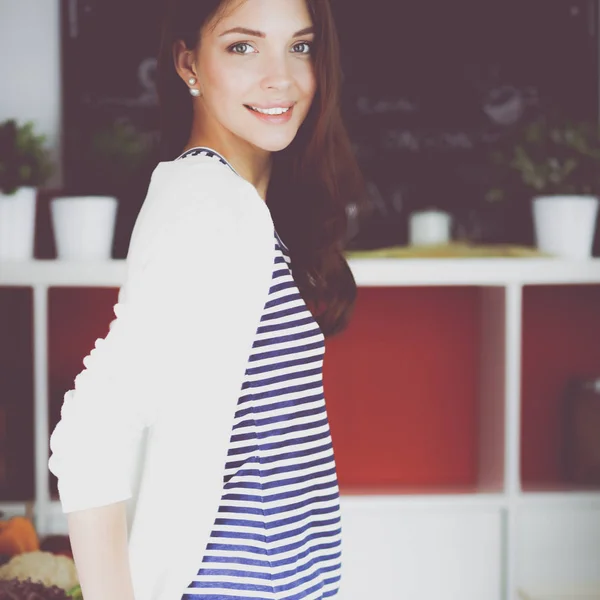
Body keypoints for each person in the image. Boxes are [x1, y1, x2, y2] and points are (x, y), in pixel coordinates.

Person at [48, 0, 367, 599]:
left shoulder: (242, 203)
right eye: (243, 46)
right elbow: (92, 430)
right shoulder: (204, 199)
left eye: (300, 46)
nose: (282, 76)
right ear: (188, 63)